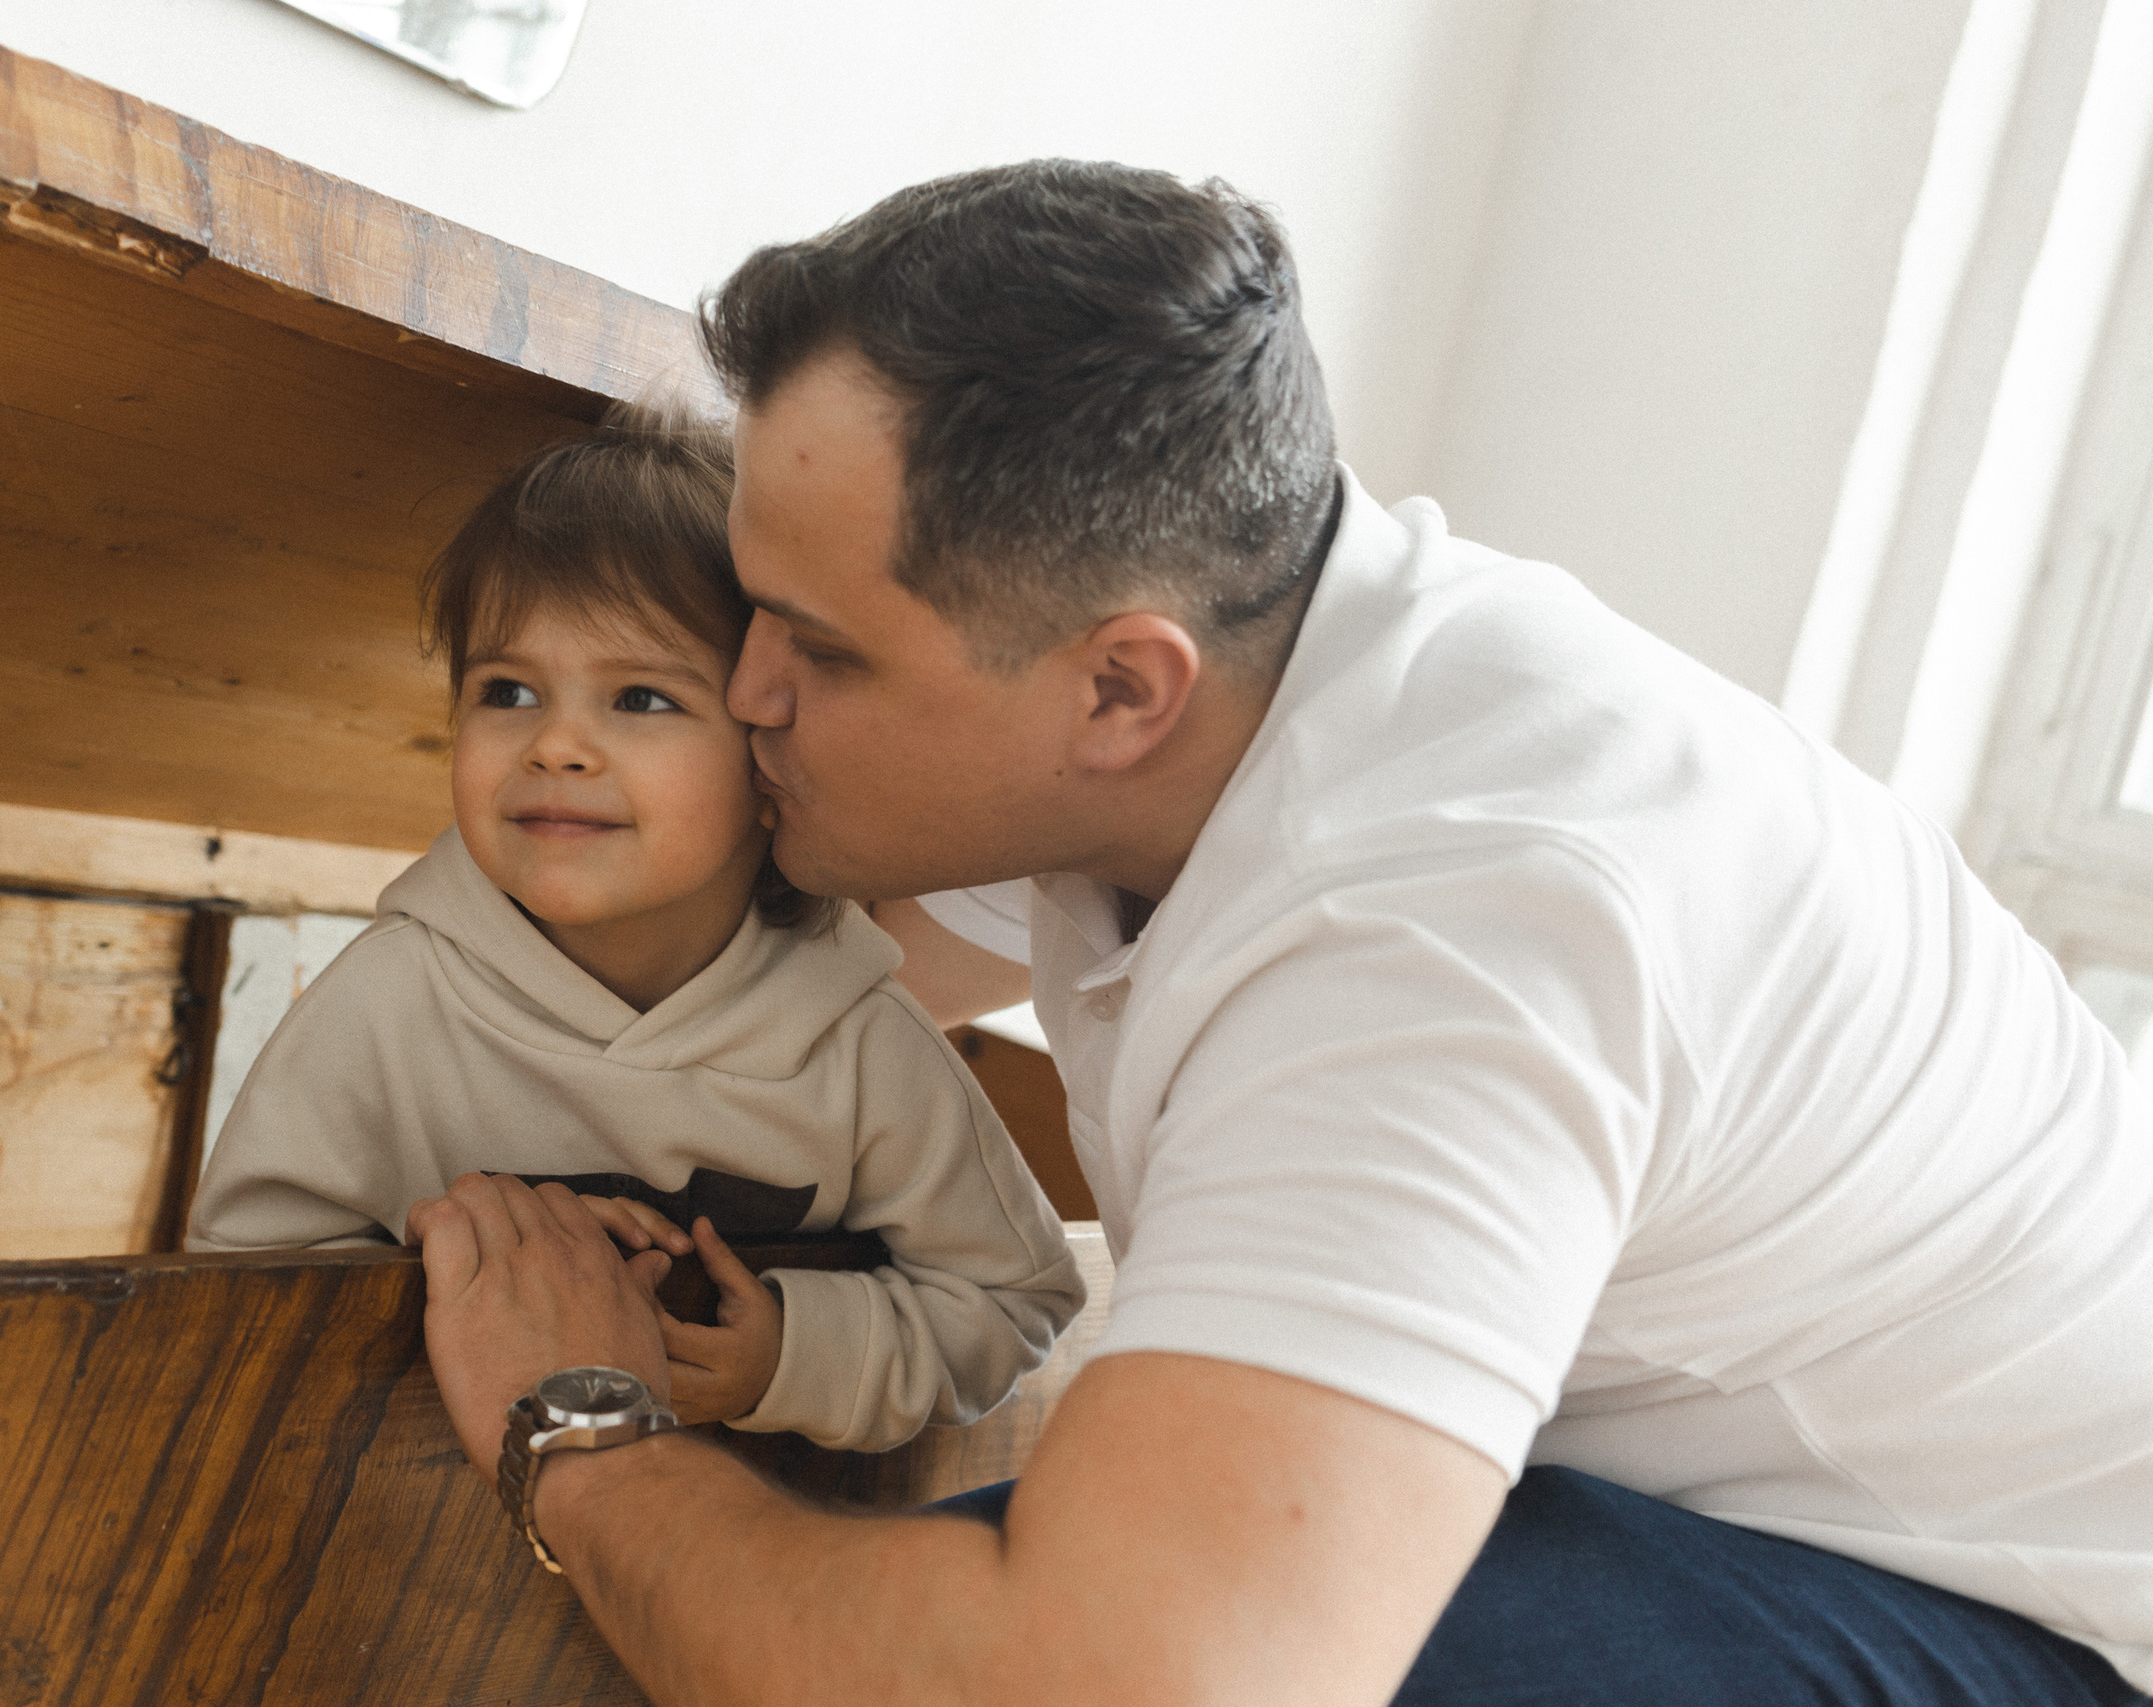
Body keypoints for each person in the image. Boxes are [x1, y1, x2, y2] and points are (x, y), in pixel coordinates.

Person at [408, 162, 2153, 1706]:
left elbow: (1085, 1684)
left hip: (2032, 1620)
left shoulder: (1450, 929)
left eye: (823, 648)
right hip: (1715, 1514)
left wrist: (579, 1426)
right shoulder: (1242, 669)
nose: (746, 689)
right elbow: (805, 986)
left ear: (1120, 689)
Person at [189, 407, 1083, 1452]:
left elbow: (1012, 1302)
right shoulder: (385, 1001)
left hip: (758, 1537)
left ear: (774, 749)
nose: (556, 744)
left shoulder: (858, 1039)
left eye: (642, 698)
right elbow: (229, 1289)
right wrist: (455, 1260)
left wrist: (789, 1358)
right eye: (507, 690)